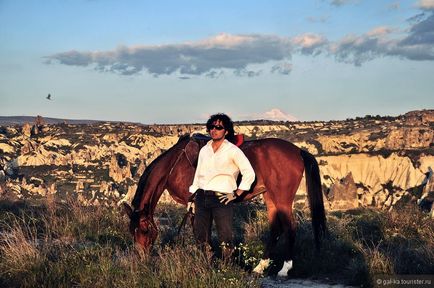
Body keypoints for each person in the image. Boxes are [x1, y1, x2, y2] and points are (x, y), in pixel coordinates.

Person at [188, 113, 255, 258]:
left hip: (222, 197)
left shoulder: (233, 150)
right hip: (202, 196)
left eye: (218, 127)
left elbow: (249, 173)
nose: (214, 130)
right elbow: (198, 174)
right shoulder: (204, 150)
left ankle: (227, 268)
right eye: (211, 127)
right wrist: (193, 196)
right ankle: (205, 267)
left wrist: (236, 193)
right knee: (200, 236)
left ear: (226, 131)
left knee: (225, 236)